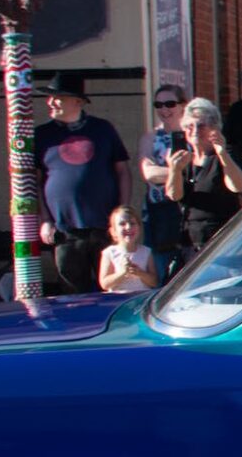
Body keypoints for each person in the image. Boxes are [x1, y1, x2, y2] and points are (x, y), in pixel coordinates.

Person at [34, 72, 130, 295]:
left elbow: (122, 171)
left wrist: (122, 213)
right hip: (65, 229)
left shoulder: (102, 129)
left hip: (104, 226)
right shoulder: (41, 135)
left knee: (110, 286)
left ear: (77, 101)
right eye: (49, 97)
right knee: (71, 292)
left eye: (57, 97)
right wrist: (45, 220)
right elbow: (35, 181)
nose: (51, 102)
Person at [165, 98, 242, 255]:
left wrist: (222, 153)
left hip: (222, 240)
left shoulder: (224, 155)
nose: (195, 130)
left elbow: (238, 186)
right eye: (190, 126)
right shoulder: (183, 159)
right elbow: (174, 195)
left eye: (201, 125)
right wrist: (174, 170)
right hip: (190, 241)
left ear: (214, 128)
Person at [136, 86, 190, 280]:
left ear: (183, 105)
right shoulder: (150, 138)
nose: (164, 109)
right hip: (159, 212)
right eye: (158, 105)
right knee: (160, 267)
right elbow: (148, 172)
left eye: (170, 104)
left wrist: (168, 173)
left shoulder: (191, 135)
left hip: (187, 211)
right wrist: (179, 173)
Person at [97, 205, 159, 294]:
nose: (128, 227)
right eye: (122, 224)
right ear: (113, 231)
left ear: (139, 228)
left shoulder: (146, 252)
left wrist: (140, 273)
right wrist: (122, 273)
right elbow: (104, 284)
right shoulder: (109, 253)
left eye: (132, 223)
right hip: (118, 299)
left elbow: (154, 282)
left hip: (141, 298)